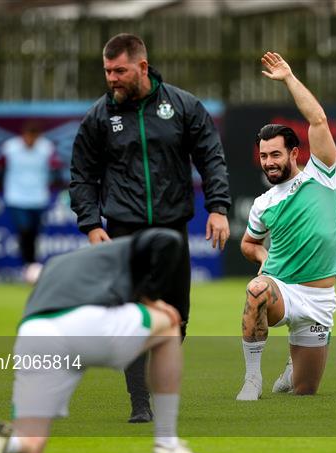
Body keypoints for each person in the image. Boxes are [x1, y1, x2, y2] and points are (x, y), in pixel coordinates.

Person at [69, 33, 231, 422]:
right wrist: (91, 225)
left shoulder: (182, 106)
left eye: (119, 70)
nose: (112, 78)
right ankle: (139, 403)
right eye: (107, 71)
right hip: (123, 231)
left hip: (173, 228)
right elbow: (81, 176)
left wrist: (219, 207)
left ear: (142, 66)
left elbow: (211, 158)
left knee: (176, 317)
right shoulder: (98, 117)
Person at [0, 228, 205, 453]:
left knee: (30, 446)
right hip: (84, 323)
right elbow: (169, 240)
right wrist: (153, 300)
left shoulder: (57, 263)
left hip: (34, 333)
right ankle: (167, 443)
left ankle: (6, 444)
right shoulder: (129, 247)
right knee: (168, 327)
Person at [236, 52, 336, 401]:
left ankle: (291, 370)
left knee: (305, 390)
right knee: (255, 290)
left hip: (319, 299)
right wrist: (263, 256)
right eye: (264, 156)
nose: (268, 162)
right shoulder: (263, 204)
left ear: (294, 153)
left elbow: (319, 120)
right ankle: (252, 379)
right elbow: (248, 245)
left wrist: (288, 78)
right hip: (281, 288)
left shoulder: (321, 174)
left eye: (275, 155)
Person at [0, 121, 60, 282]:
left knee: (35, 233)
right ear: (23, 135)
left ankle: (31, 266)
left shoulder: (46, 149)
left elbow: (56, 170)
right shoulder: (10, 148)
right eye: (28, 137)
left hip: (39, 198)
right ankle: (28, 265)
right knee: (24, 231)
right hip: (16, 197)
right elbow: (1, 170)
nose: (30, 141)